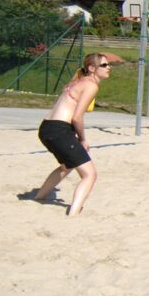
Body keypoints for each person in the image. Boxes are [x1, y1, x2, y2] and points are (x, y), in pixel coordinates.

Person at [30, 53, 111, 216]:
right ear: (92, 68)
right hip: (59, 130)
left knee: (67, 165)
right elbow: (77, 117)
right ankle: (73, 214)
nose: (109, 67)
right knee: (90, 175)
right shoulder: (91, 85)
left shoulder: (78, 81)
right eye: (104, 65)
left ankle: (40, 197)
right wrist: (83, 139)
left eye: (108, 65)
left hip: (46, 128)